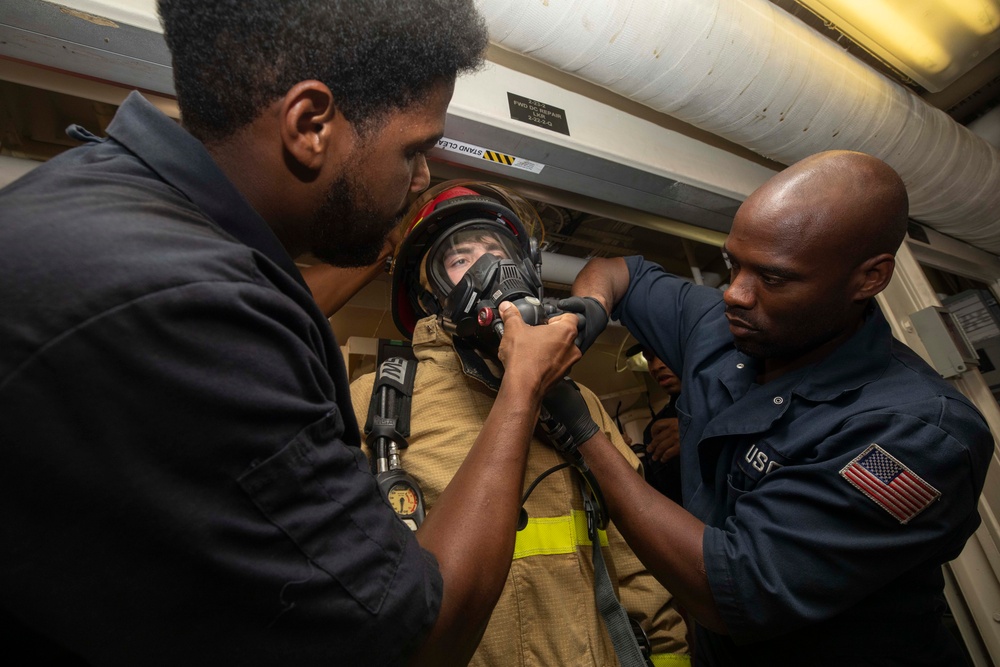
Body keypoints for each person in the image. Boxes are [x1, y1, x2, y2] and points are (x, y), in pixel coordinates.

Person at [0, 2, 586, 665]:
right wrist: (522, 383)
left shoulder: (114, 216)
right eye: (415, 149)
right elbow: (419, 637)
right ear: (311, 125)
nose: (422, 176)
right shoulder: (193, 316)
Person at [557, 150, 993, 666]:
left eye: (775, 277)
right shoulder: (723, 327)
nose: (734, 295)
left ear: (869, 278)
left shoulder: (916, 431)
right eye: (732, 265)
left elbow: (734, 590)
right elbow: (616, 270)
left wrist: (577, 424)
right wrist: (584, 316)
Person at [349, 181, 691, 667]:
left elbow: (636, 564)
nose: (491, 268)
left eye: (498, 249)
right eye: (462, 258)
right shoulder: (374, 403)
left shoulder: (580, 402)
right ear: (430, 294)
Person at [632, 346, 683, 505]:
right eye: (649, 359)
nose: (655, 367)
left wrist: (695, 432)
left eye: (662, 353)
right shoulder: (655, 431)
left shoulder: (723, 405)